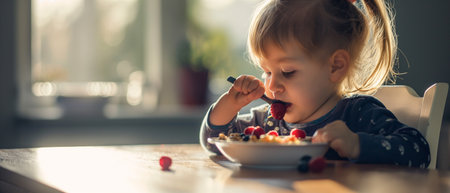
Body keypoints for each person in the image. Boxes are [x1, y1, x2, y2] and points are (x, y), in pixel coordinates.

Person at [199, 0, 430, 168]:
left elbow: (418, 149)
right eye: (266, 72)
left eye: (287, 72)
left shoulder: (357, 114)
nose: (273, 85)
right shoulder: (269, 121)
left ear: (335, 67)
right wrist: (230, 105)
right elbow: (214, 142)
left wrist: (357, 143)